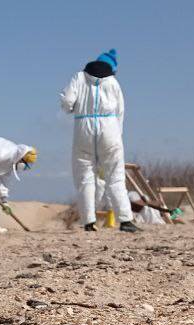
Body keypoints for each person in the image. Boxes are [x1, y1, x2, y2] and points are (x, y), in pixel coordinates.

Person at [60, 49, 139, 233]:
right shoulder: (113, 82)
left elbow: (67, 101)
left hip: (83, 127)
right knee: (115, 177)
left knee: (85, 177)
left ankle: (89, 221)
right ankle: (125, 220)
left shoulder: (79, 77)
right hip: (109, 128)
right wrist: (117, 136)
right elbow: (120, 112)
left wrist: (72, 109)